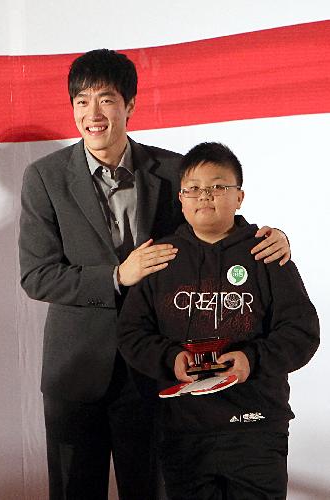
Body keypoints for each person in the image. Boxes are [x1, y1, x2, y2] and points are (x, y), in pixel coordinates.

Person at [19, 49, 290, 500]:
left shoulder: (170, 168)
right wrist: (116, 275)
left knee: (150, 488)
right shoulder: (44, 177)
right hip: (77, 369)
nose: (93, 114)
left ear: (130, 106)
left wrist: (267, 236)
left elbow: (211, 226)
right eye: (82, 102)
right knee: (72, 490)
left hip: (155, 364)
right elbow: (38, 275)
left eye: (106, 100)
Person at [117, 142, 319, 500]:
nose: (204, 196)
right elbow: (132, 333)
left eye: (218, 186)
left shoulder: (266, 253)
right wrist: (171, 360)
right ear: (180, 199)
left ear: (239, 197)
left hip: (256, 427)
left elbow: (302, 333)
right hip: (183, 431)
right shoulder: (162, 258)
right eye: (193, 188)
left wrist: (251, 360)